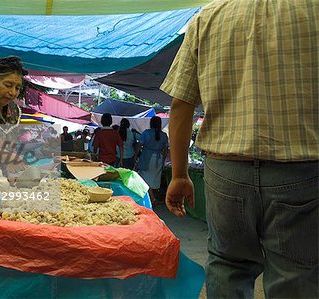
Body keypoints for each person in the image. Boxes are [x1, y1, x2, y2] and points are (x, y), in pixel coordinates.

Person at [160, 1, 318, 298]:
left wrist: (180, 174)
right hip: (302, 170)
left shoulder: (207, 17)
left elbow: (182, 105)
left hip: (225, 173)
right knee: (296, 275)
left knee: (227, 266)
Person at [134, 116, 168, 204]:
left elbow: (139, 145)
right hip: (158, 159)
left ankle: (151, 198)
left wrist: (135, 155)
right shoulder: (164, 135)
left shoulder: (147, 133)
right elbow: (166, 149)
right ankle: (152, 197)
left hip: (147, 157)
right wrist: (163, 159)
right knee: (153, 179)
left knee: (144, 179)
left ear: (151, 123)